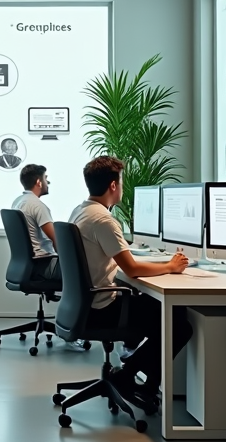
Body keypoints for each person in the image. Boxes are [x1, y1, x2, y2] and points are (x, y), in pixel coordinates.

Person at [70, 156, 193, 404]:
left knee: (163, 314)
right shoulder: (104, 219)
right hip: (103, 308)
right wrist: (170, 266)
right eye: (121, 183)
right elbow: (132, 269)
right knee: (178, 324)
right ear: (113, 186)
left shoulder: (81, 211)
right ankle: (127, 376)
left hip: (85, 305)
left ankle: (147, 386)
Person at [11, 164, 60, 281]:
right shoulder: (37, 206)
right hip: (44, 265)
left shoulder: (18, 202)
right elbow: (56, 239)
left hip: (28, 266)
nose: (48, 182)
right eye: (45, 178)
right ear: (39, 182)